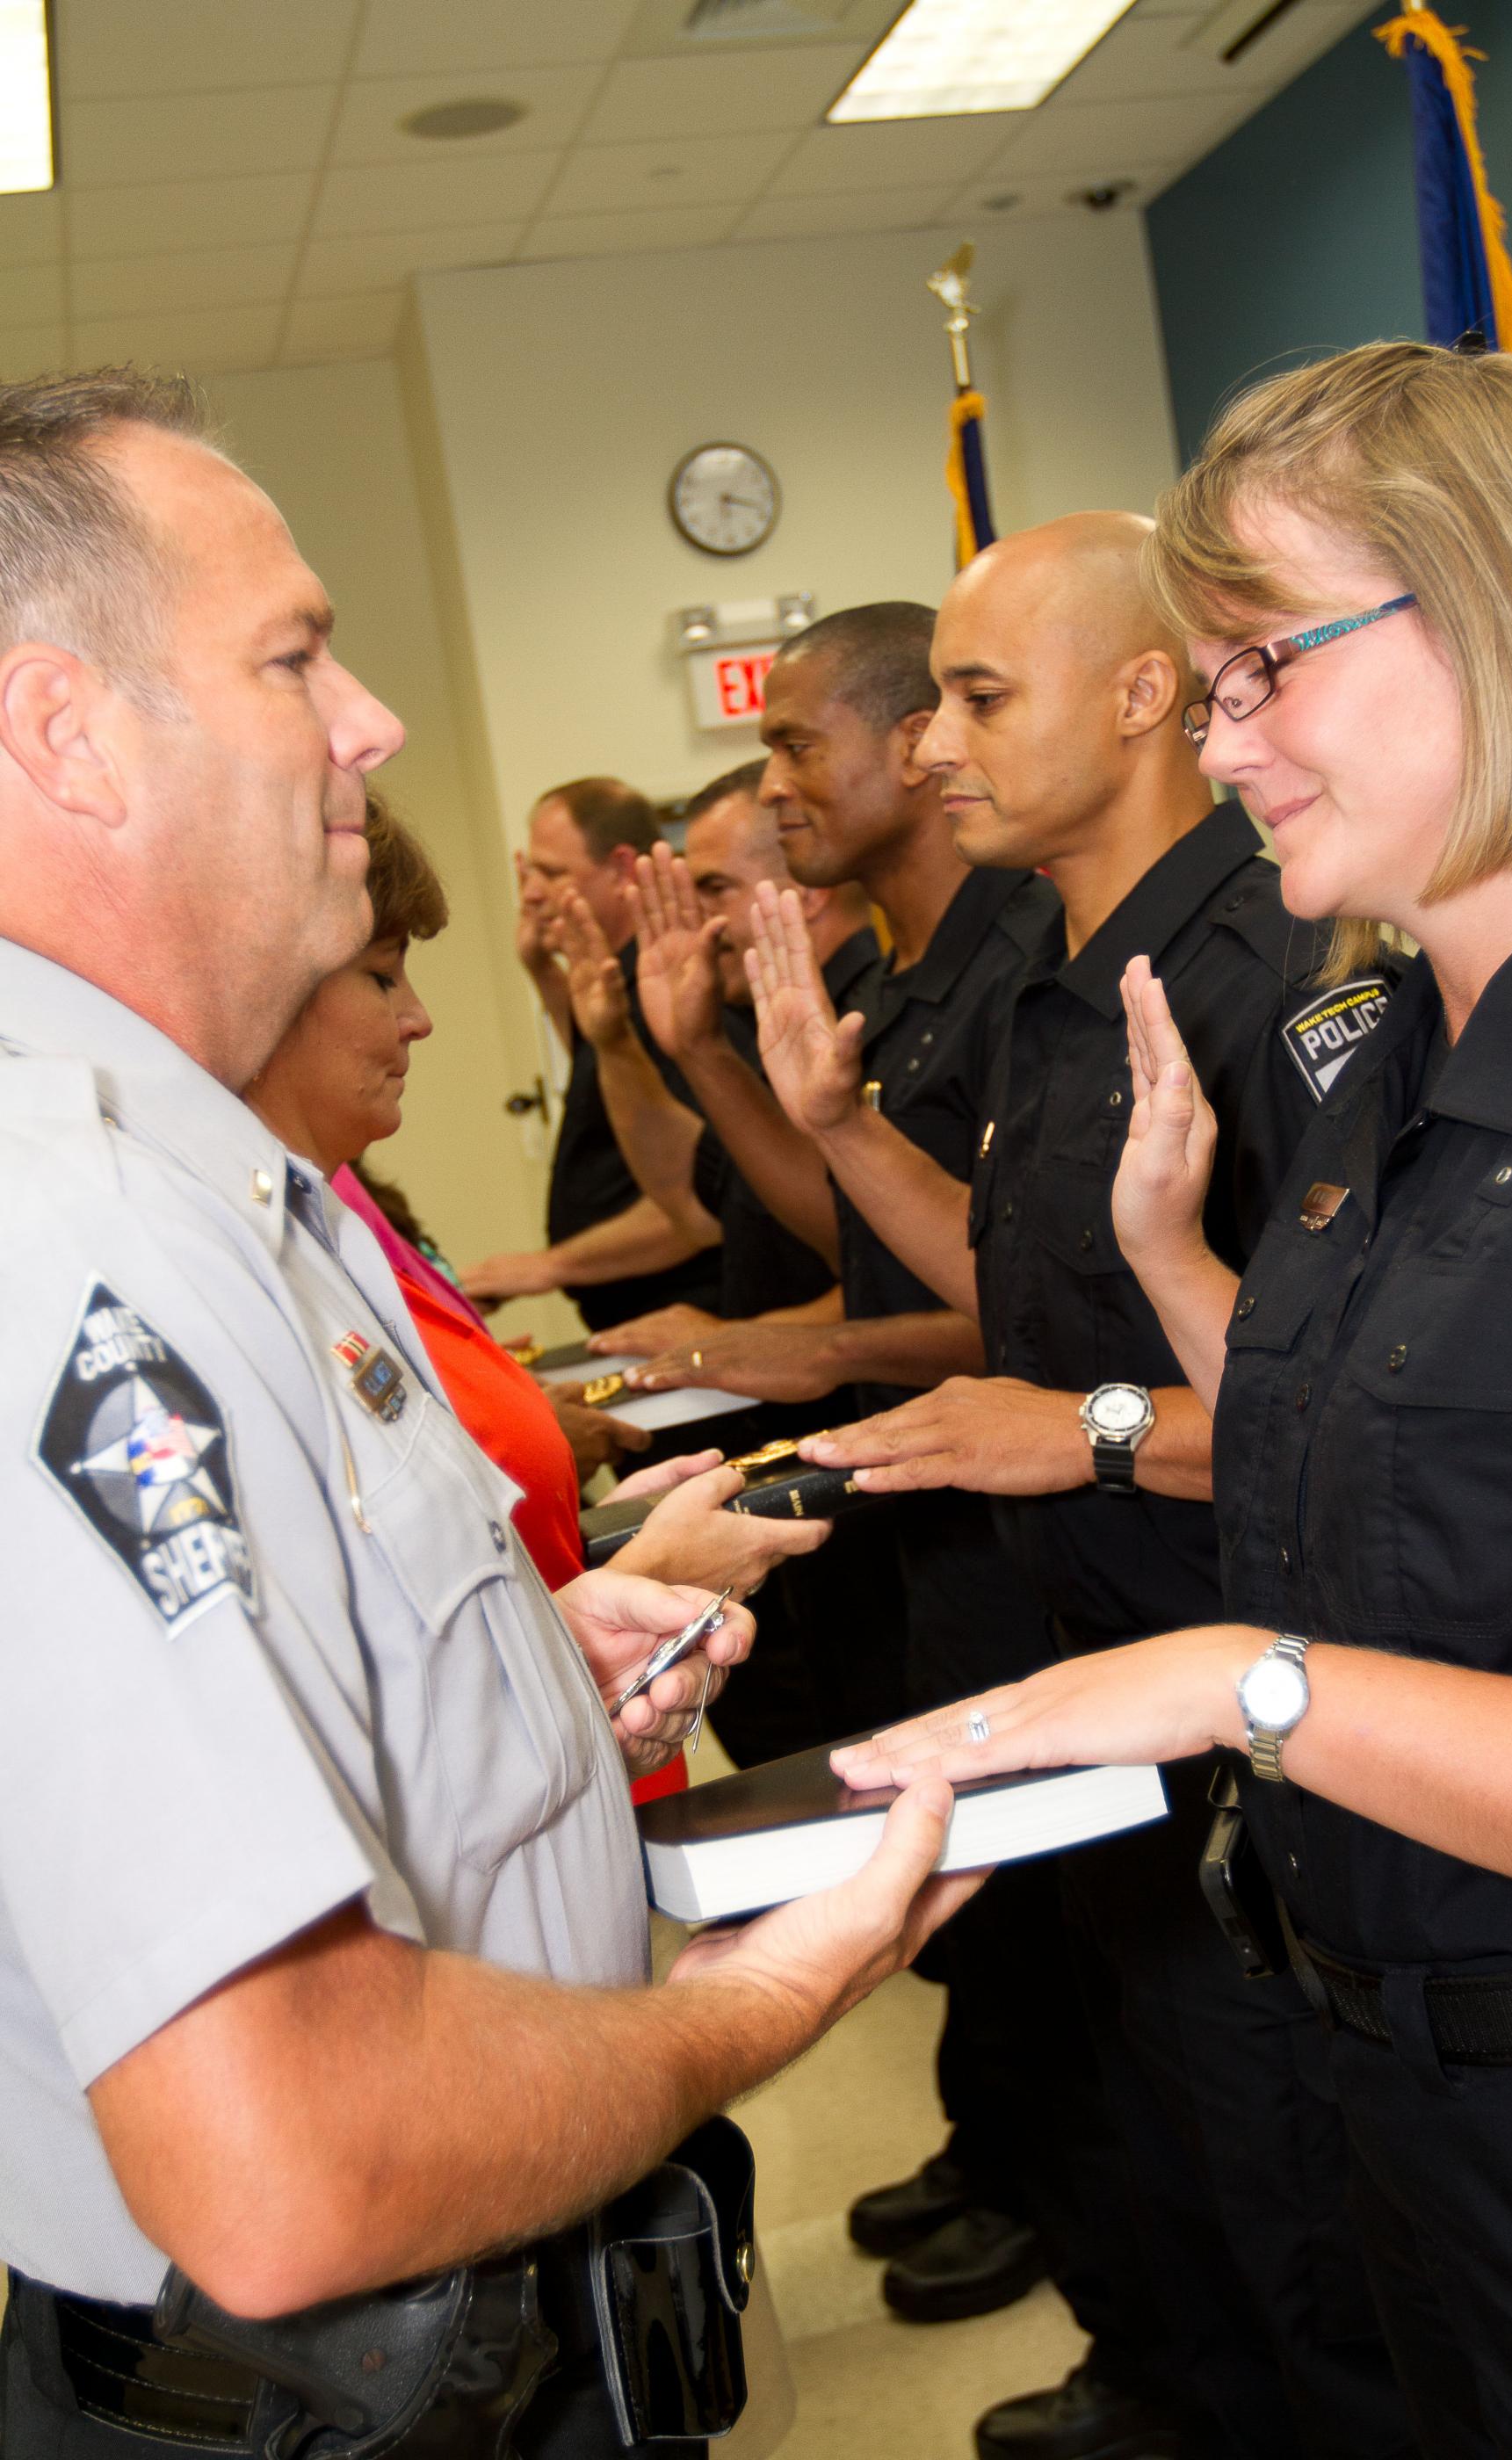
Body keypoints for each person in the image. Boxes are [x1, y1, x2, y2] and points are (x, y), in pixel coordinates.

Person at [0, 367, 977, 2460]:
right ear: (61, 733)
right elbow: (288, 2156)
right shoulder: (68, 1230)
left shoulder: (186, 1175)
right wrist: (755, 1997)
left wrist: (516, 1692)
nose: (371, 723)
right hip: (338, 2382)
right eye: (291, 656)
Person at [830, 340, 1512, 2460]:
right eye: (1205, 684)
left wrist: (1244, 1683)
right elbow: (1385, 1469)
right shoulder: (1371, 1035)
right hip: (1397, 2086)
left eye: (1263, 665)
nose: (1226, 742)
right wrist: (1185, 1264)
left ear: (1499, 612)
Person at [747, 516, 1408, 2460]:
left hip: (1257, 1701)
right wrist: (839, 1127)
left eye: (976, 693)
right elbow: (1014, 1283)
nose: (939, 742)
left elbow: (1346, 1402)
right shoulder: (1061, 954)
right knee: (1162, 2129)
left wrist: (1088, 1422)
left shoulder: (1285, 962)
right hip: (1094, 1653)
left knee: (1296, 2196)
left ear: (1142, 696)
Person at [619, 611, 1107, 2358]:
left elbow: (972, 1290)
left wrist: (818, 1350)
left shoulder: (1023, 948)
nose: (777, 786)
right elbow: (862, 1236)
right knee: (991, 1916)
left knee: (1064, 1934)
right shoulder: (918, 973)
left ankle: (1069, 2206)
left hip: (1045, 1491)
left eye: (792, 750)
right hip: (937, 1495)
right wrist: (729, 1069)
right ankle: (1022, 2162)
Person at [245, 786, 836, 1803]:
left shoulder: (332, 1215)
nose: (419, 1017)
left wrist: (612, 1543)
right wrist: (646, 1561)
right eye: (382, 976)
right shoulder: (268, 1253)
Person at [542, 759, 900, 1762]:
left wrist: (752, 1339)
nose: (697, 924)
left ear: (808, 891)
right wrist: (631, 1042)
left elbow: (882, 1254)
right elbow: (693, 1195)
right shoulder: (747, 1014)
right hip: (776, 1458)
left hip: (865, 1473)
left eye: (714, 891)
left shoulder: (865, 1009)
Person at [465, 775, 720, 1332]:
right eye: (529, 872)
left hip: (689, 1310)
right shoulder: (612, 977)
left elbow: (707, 1193)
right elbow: (603, 1081)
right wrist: (542, 973)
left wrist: (550, 1267)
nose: (531, 893)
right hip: (630, 1316)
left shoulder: (664, 987)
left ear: (623, 868)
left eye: (553, 873)